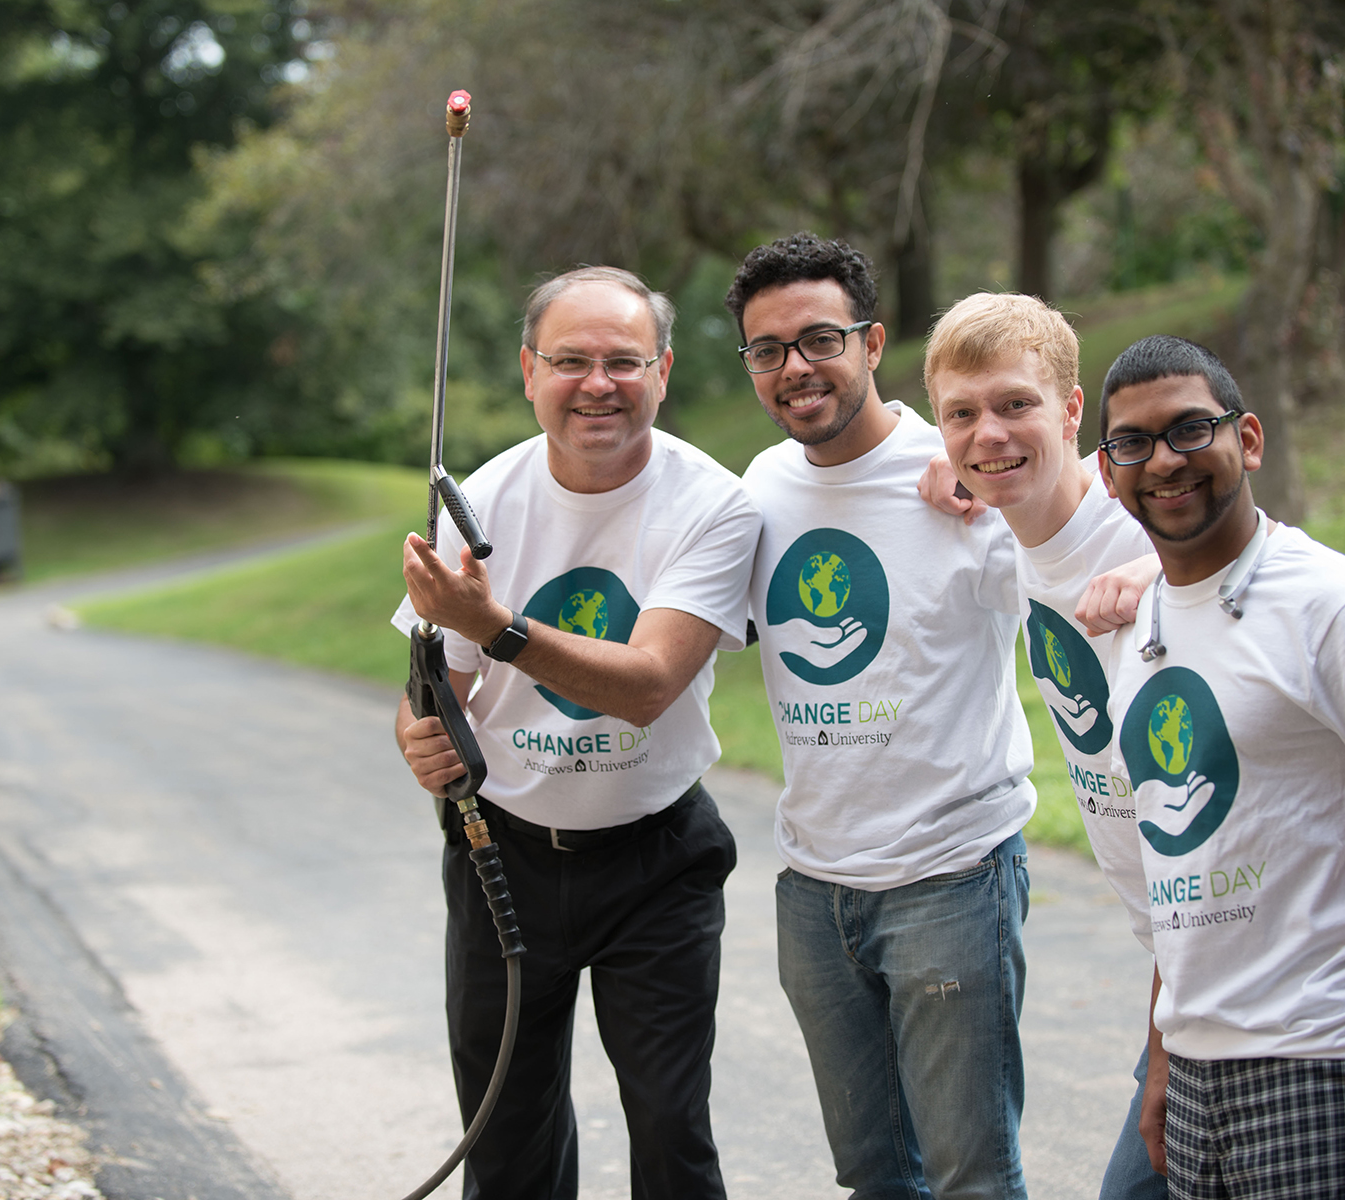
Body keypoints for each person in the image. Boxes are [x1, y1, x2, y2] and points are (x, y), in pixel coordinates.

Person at [392, 265, 760, 1200]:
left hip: (657, 859)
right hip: (499, 853)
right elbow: (433, 688)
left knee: (673, 1132)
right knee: (507, 1138)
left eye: (623, 361)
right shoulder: (476, 498)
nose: (598, 383)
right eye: (571, 361)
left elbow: (647, 687)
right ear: (528, 371)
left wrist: (497, 626)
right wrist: (419, 734)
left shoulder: (713, 505)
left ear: (664, 373)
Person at [1095, 335, 1345, 1199]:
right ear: (1108, 466)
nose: (1164, 461)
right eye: (1135, 443)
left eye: (1191, 430)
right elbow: (1182, 851)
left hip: (1326, 1058)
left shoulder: (1332, 603)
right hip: (1198, 1069)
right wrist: (1163, 1054)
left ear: (1250, 439)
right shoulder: (1144, 628)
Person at [727, 233, 1034, 1199]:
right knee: (871, 1179)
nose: (794, 368)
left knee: (970, 1179)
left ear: (871, 340)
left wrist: (995, 485)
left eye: (819, 339)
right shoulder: (761, 488)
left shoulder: (962, 470)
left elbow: (1084, 551)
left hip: (950, 878)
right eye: (767, 350)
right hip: (815, 892)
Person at [922, 292, 1166, 1200]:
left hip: (1260, 969)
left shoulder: (1148, 523)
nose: (989, 432)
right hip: (1179, 961)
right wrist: (952, 470)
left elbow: (1266, 559)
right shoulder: (1016, 531)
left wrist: (1167, 571)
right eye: (963, 414)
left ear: (1072, 412)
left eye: (1016, 404)